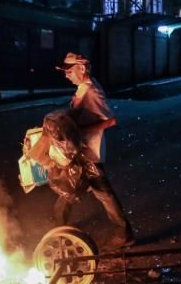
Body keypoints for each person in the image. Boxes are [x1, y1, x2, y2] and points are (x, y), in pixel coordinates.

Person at [52, 52, 135, 249]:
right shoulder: (84, 87)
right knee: (68, 185)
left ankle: (124, 234)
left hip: (89, 152)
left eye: (69, 71)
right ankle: (58, 226)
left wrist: (79, 130)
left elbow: (110, 121)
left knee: (98, 192)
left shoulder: (90, 91)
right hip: (80, 150)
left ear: (81, 69)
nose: (66, 75)